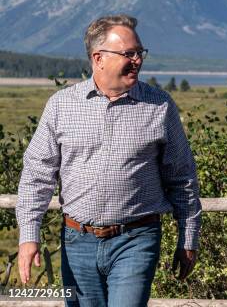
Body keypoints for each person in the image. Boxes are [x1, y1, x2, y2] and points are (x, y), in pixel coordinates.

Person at [16, 15, 202, 307]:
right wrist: (29, 236)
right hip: (77, 241)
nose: (138, 60)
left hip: (137, 238)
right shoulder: (61, 105)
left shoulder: (160, 106)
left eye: (140, 52)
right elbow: (36, 176)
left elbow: (182, 177)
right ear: (98, 58)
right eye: (129, 53)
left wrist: (188, 237)